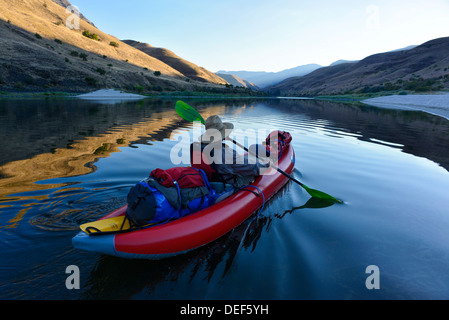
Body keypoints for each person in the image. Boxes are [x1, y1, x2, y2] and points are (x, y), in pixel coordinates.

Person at [191, 115, 271, 189]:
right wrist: (266, 165)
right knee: (252, 171)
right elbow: (251, 168)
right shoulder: (225, 153)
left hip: (208, 181)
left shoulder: (199, 147)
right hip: (226, 184)